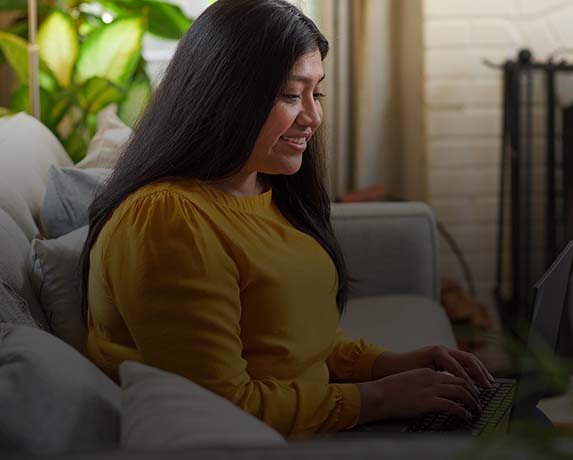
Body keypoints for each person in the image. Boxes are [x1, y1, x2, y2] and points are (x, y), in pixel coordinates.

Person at [79, 0, 493, 438]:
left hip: (313, 422)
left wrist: (385, 365)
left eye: (317, 93)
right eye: (292, 95)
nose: (313, 117)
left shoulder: (264, 188)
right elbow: (220, 407)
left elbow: (283, 337)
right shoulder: (167, 220)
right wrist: (381, 397)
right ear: (225, 96)